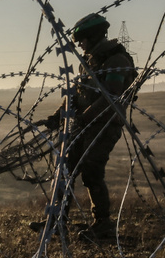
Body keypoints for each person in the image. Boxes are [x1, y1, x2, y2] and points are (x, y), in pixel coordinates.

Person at [34, 13, 136, 241]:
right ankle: (56, 220)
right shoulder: (89, 62)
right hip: (83, 125)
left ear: (93, 36)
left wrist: (85, 117)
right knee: (66, 168)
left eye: (83, 40)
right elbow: (76, 94)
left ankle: (103, 226)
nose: (80, 45)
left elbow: (111, 96)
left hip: (104, 126)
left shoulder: (116, 61)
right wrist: (57, 115)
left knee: (91, 170)